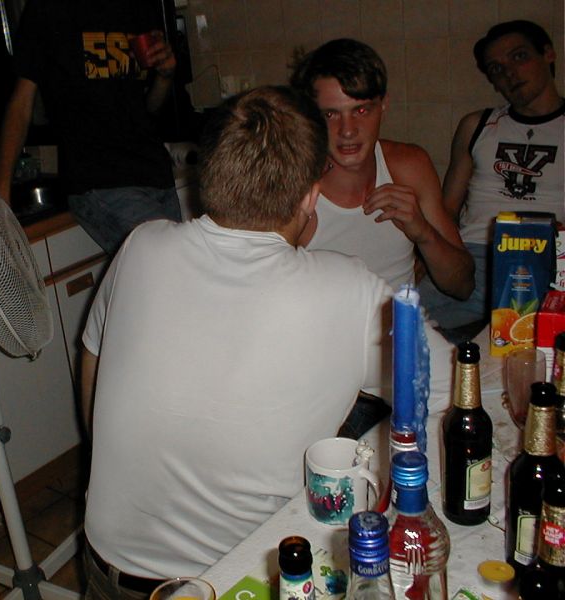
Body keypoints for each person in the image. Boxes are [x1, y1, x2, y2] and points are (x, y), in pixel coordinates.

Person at [78, 85, 453, 599]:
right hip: (235, 583)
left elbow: (92, 360)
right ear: (310, 197)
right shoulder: (350, 290)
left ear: (205, 179)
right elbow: (448, 391)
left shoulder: (140, 245)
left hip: (106, 569)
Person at [289, 39, 474, 301]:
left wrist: (424, 234)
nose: (348, 130)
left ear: (383, 106)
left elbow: (463, 286)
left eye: (361, 110)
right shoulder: (292, 186)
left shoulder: (409, 166)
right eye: (330, 115)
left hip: (404, 325)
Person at [0, 0, 182, 254]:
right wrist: (1, 196)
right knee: (176, 263)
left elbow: (148, 107)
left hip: (157, 175)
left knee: (176, 271)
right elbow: (21, 105)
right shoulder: (48, 9)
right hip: (100, 181)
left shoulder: (139, 8)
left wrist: (165, 76)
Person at [420, 20, 564, 331]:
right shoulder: (478, 125)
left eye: (519, 57)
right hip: (474, 257)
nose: (509, 72)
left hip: (546, 257)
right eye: (496, 69)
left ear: (548, 54)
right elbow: (446, 211)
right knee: (401, 325)